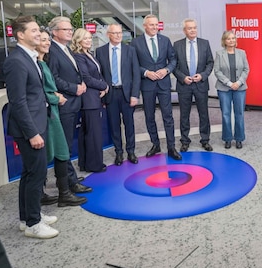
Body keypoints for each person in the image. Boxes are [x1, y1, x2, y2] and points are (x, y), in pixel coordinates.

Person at [3, 16, 58, 239]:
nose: (38, 34)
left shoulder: (29, 58)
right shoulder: (16, 61)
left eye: (38, 30)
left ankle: (28, 218)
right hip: (30, 128)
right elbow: (18, 102)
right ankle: (34, 223)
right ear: (20, 35)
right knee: (36, 174)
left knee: (29, 173)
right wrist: (33, 133)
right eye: (33, 31)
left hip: (37, 123)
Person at [37, 30, 87, 207]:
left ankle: (68, 184)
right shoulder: (46, 58)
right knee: (61, 149)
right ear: (55, 32)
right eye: (41, 39)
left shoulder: (56, 54)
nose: (46, 43)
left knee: (64, 148)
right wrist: (71, 90)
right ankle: (67, 187)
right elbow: (48, 85)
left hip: (65, 105)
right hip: (58, 107)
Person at [47, 16, 91, 194]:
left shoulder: (66, 49)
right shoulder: (52, 51)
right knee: (64, 146)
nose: (70, 32)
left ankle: (69, 178)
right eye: (66, 29)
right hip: (64, 103)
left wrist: (81, 84)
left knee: (67, 145)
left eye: (70, 29)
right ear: (55, 32)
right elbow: (53, 78)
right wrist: (75, 88)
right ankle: (68, 184)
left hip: (74, 102)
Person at [131, 14, 182, 160]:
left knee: (168, 116)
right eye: (151, 25)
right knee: (149, 116)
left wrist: (166, 70)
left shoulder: (165, 40)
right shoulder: (136, 43)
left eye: (156, 25)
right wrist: (146, 73)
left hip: (163, 83)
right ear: (145, 26)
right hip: (147, 84)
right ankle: (155, 144)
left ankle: (171, 147)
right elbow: (133, 64)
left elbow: (173, 59)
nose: (154, 27)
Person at [96, 24, 141, 165]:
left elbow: (136, 74)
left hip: (126, 93)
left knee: (129, 124)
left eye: (120, 33)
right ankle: (119, 153)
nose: (118, 35)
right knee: (114, 125)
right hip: (110, 94)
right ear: (108, 35)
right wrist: (103, 95)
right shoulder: (100, 51)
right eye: (114, 33)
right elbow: (99, 74)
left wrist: (135, 95)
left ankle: (131, 152)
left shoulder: (130, 50)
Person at [172, 18, 214, 152]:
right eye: (189, 28)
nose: (193, 30)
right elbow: (174, 65)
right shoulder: (177, 45)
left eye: (194, 27)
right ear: (184, 30)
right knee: (184, 114)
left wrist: (202, 75)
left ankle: (205, 140)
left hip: (200, 84)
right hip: (184, 85)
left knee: (204, 114)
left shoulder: (204, 43)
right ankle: (185, 141)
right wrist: (183, 77)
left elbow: (210, 63)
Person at [71, 28, 109, 172]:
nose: (89, 40)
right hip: (88, 100)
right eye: (85, 38)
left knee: (89, 132)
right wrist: (104, 85)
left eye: (89, 38)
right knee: (92, 134)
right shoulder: (79, 56)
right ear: (78, 40)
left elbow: (97, 74)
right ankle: (94, 165)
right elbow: (86, 77)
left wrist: (103, 86)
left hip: (94, 98)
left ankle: (86, 163)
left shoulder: (89, 54)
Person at [213, 31, 250, 149]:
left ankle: (239, 139)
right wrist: (229, 83)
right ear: (224, 41)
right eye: (228, 39)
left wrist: (239, 82)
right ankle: (227, 139)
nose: (231, 40)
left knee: (239, 114)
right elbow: (217, 71)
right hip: (224, 88)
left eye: (233, 38)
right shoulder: (219, 54)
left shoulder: (242, 53)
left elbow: (246, 69)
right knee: (225, 114)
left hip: (240, 88)